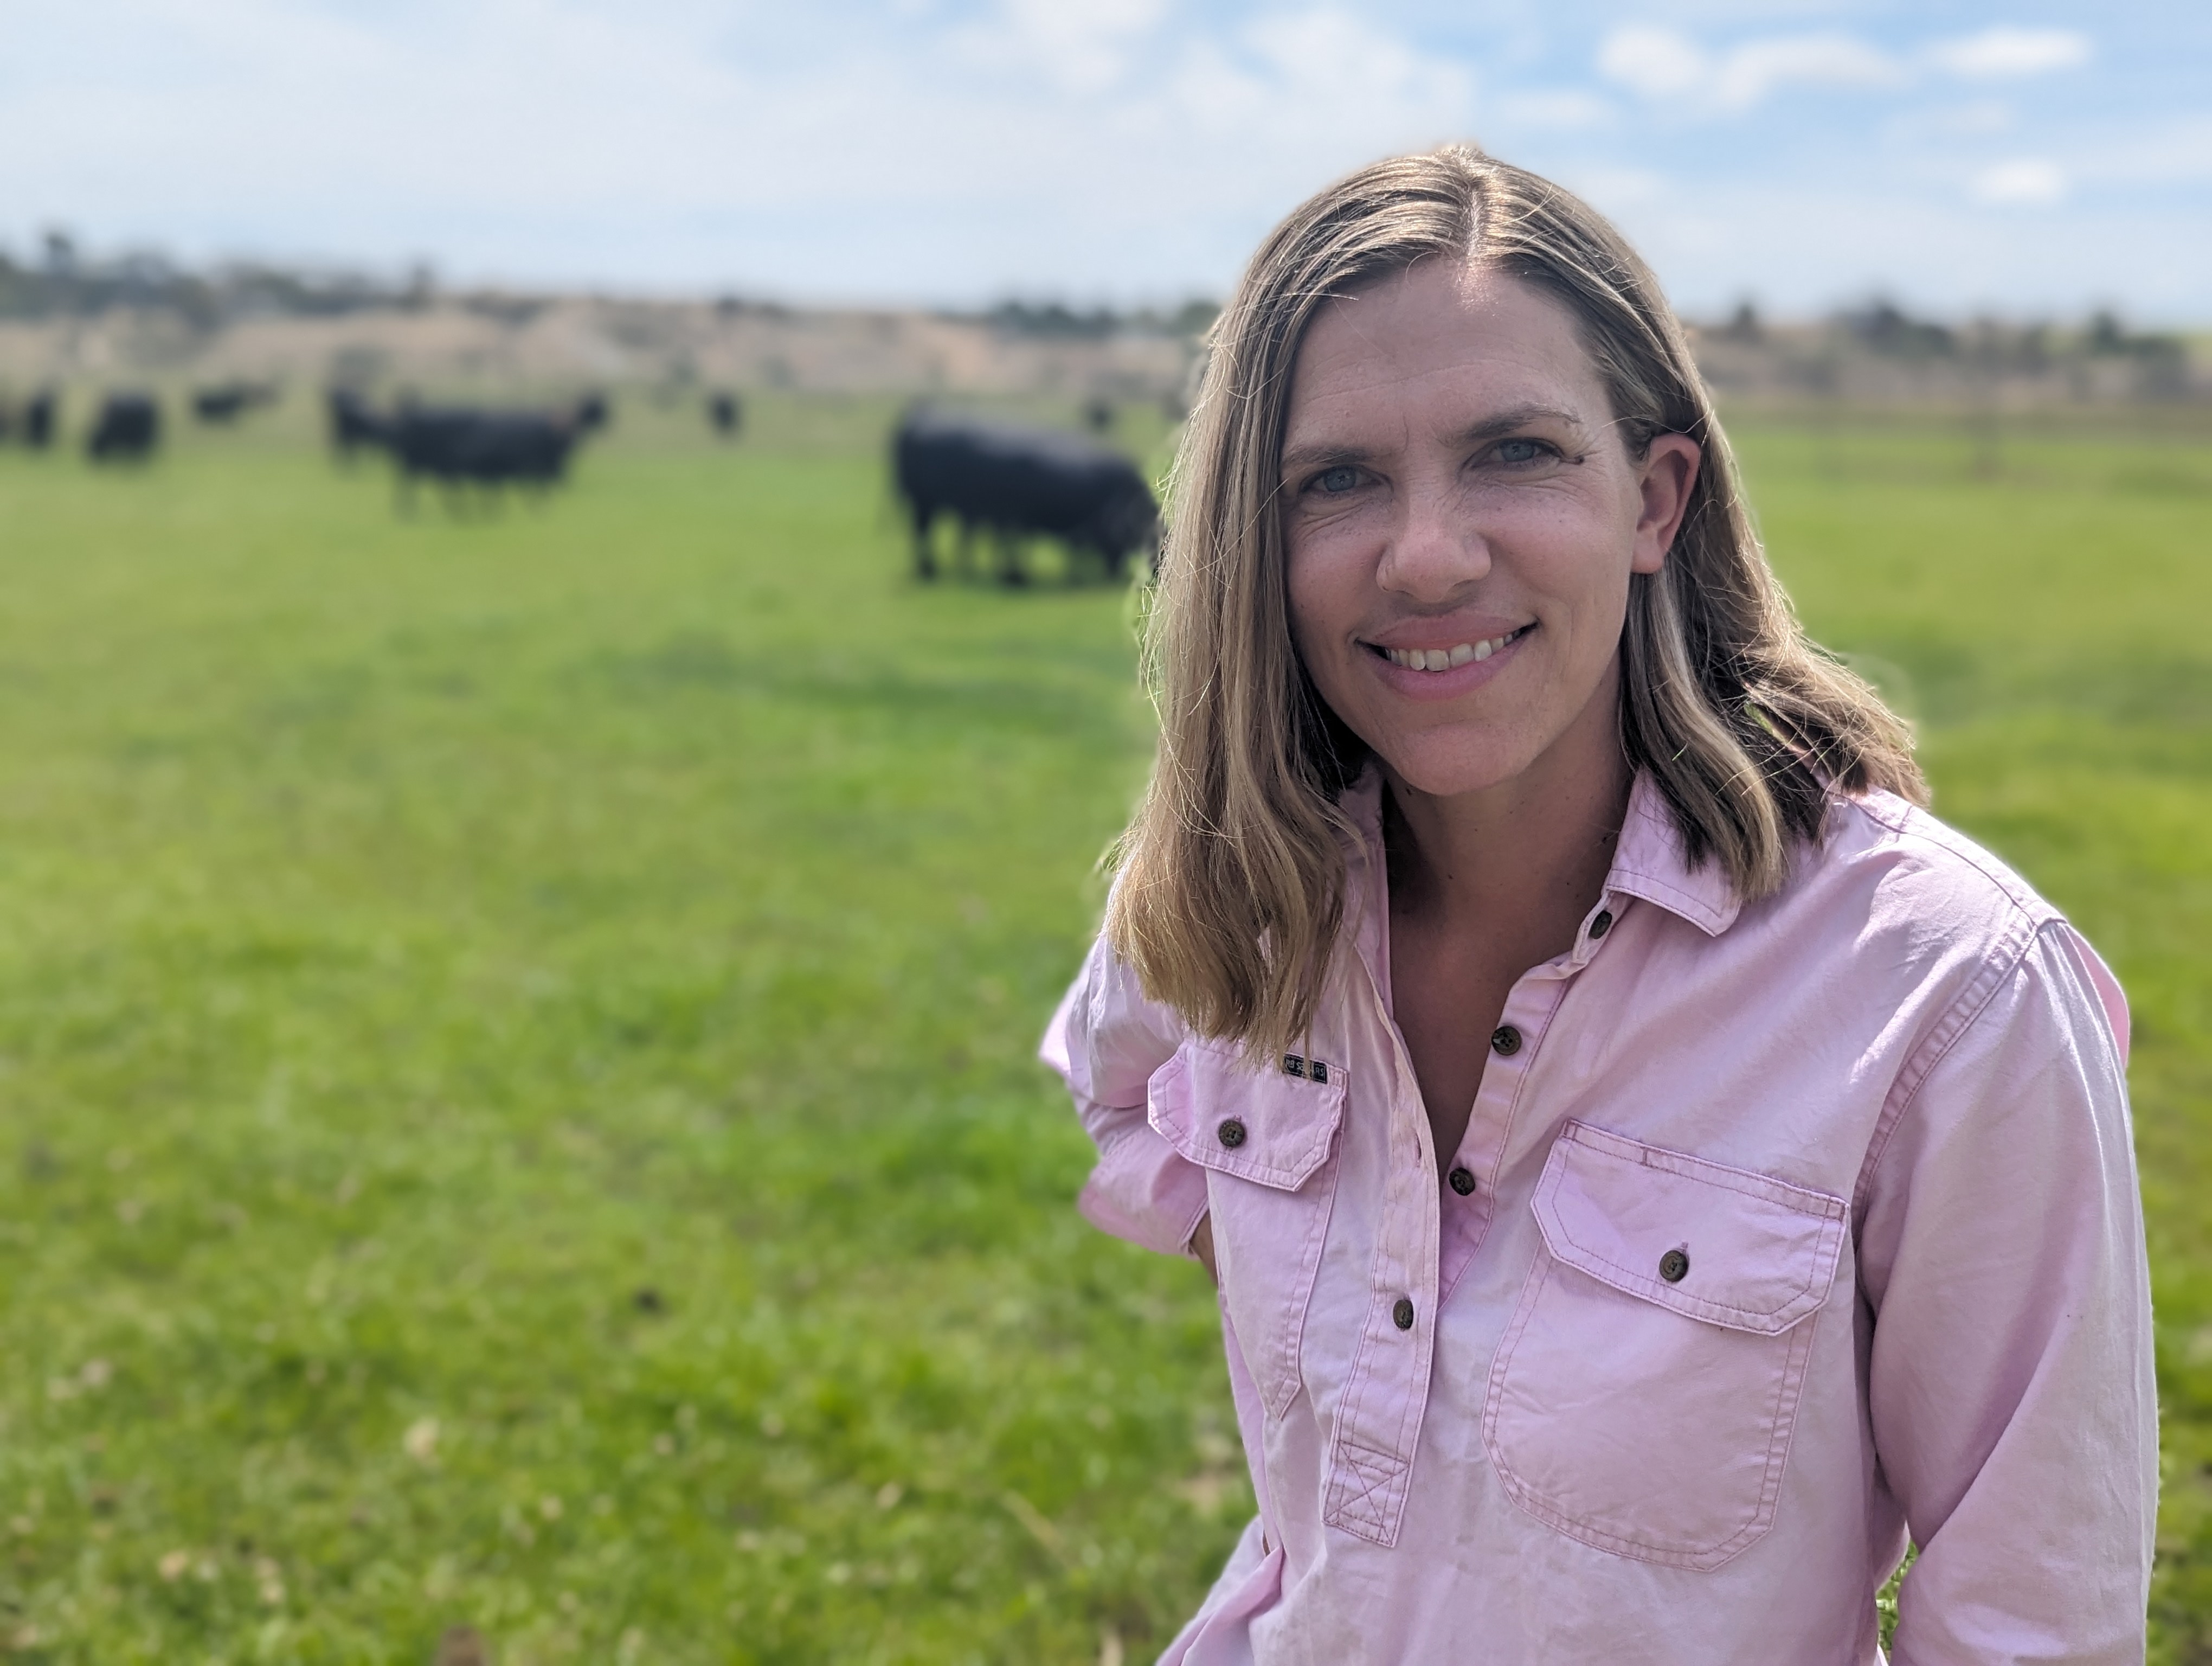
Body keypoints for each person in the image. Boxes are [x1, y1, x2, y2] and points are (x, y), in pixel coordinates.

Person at [1039, 145, 2153, 1664]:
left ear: (1656, 497)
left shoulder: (1951, 995)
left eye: (1515, 453)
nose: (1425, 554)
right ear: (1260, 537)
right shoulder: (1245, 899)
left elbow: (2036, 1623)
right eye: (1340, 480)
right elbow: (1116, 1093)